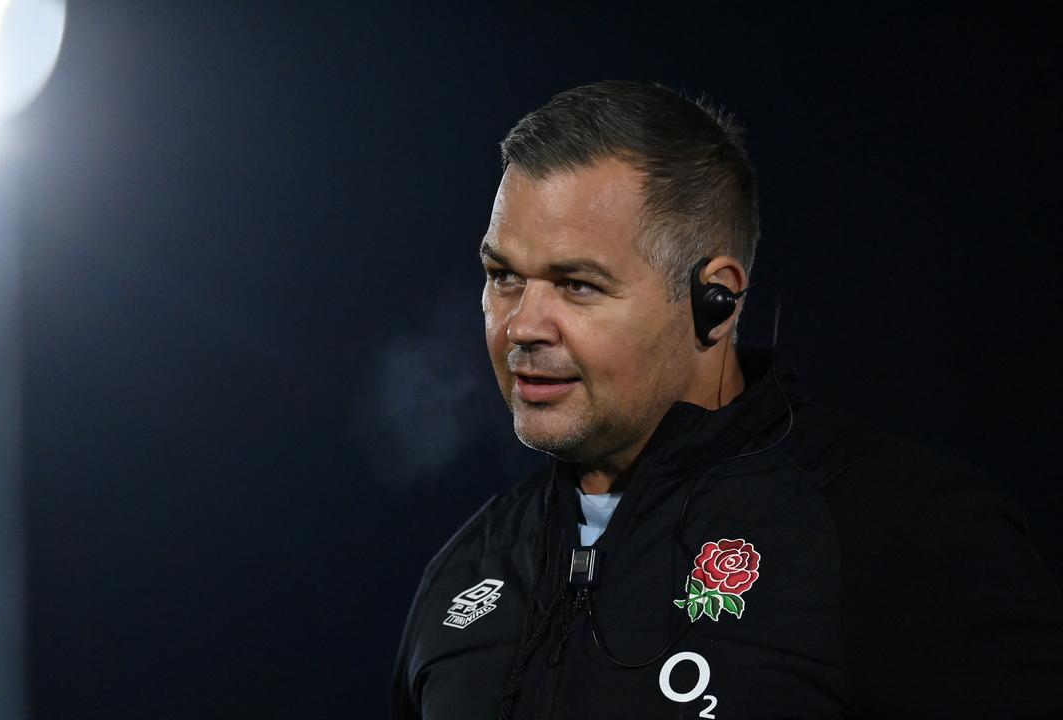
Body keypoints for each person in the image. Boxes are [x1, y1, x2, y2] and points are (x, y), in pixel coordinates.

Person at [390, 81, 1063, 719]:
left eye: (577, 285)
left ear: (715, 303)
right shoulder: (463, 572)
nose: (521, 326)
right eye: (503, 276)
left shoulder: (902, 534)